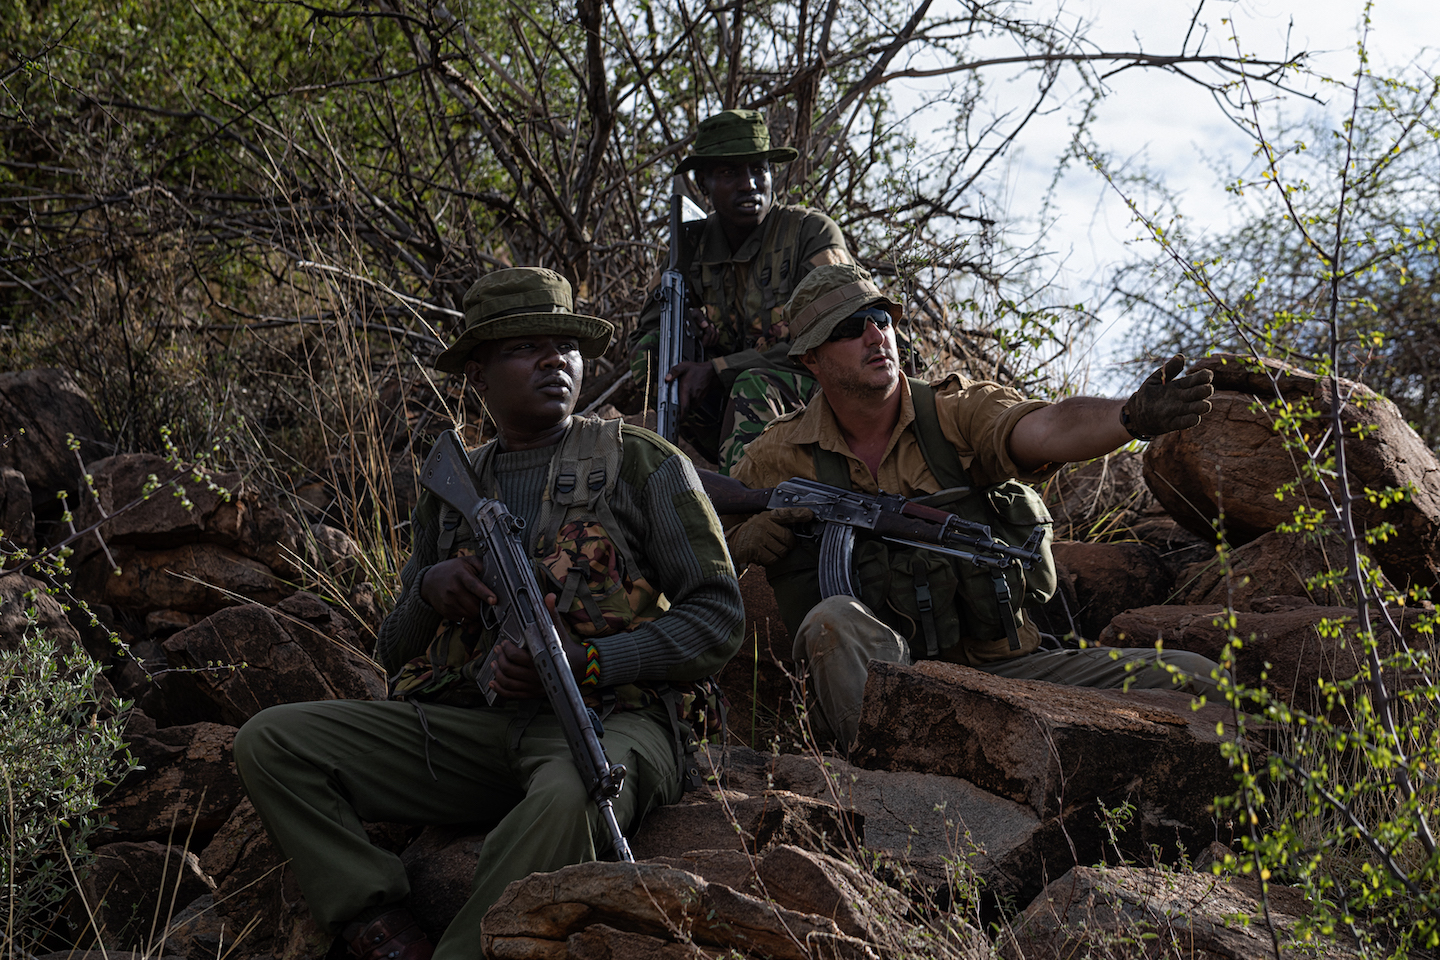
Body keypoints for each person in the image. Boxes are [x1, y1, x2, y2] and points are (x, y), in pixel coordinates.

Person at [233, 268, 744, 960]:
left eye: (565, 345)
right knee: (271, 741)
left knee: (572, 799)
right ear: (477, 374)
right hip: (475, 728)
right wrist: (428, 590)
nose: (553, 361)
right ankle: (376, 924)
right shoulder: (453, 488)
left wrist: (590, 662)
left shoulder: (639, 463)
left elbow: (717, 618)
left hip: (613, 721)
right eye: (524, 347)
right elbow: (392, 650)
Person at [728, 263, 1225, 747]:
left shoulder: (954, 412)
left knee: (1198, 680)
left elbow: (1047, 427)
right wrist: (738, 543)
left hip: (1007, 671)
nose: (876, 336)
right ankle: (884, 781)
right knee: (833, 619)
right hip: (887, 676)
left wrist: (1128, 417)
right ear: (811, 359)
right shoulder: (777, 454)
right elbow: (692, 551)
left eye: (881, 320)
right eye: (850, 329)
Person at [632, 108, 854, 473]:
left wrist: (719, 367)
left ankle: (743, 506)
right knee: (653, 361)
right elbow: (647, 332)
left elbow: (839, 335)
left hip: (819, 392)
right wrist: (697, 346)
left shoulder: (811, 233)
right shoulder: (691, 245)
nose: (749, 184)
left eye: (758, 170)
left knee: (753, 385)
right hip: (736, 397)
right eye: (729, 172)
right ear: (703, 182)